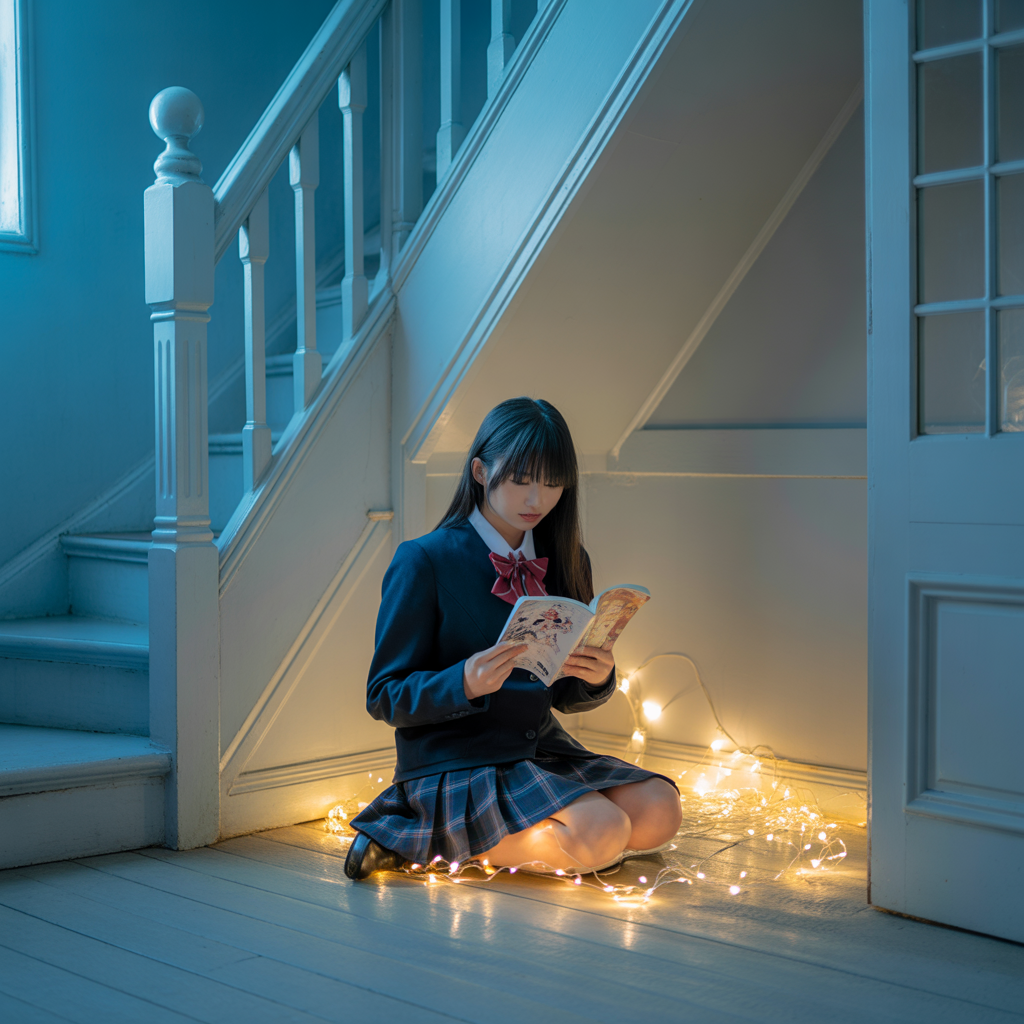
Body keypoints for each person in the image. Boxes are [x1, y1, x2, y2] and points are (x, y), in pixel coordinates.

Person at [344, 397, 682, 879]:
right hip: (457, 759)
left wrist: (597, 676)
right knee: (602, 832)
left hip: (538, 749)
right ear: (480, 471)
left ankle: (509, 839)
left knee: (660, 810)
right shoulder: (424, 560)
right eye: (521, 480)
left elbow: (562, 696)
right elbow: (384, 696)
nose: (536, 500)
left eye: (551, 483)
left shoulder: (566, 557)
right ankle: (419, 839)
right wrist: (463, 681)